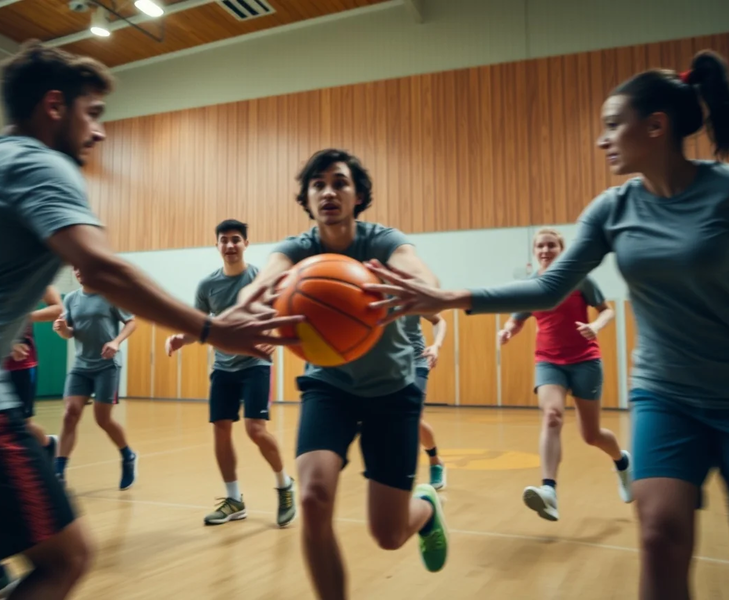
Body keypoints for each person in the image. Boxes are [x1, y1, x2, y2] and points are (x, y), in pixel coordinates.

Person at [0, 40, 301, 600]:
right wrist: (213, 330)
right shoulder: (39, 160)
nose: (98, 132)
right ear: (55, 106)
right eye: (93, 113)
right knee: (66, 559)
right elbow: (102, 269)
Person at [364, 50, 729, 600]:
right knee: (658, 534)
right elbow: (545, 288)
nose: (601, 140)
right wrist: (448, 297)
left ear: (656, 127)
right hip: (666, 393)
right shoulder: (611, 209)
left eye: (612, 126)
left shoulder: (722, 191)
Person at [237, 148, 449, 600]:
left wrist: (419, 289)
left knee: (388, 534)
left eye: (339, 182)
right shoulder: (298, 249)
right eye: (318, 185)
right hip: (328, 386)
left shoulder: (383, 241)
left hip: (393, 390)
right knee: (313, 499)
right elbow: (265, 279)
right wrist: (248, 310)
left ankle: (426, 509)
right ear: (307, 199)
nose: (328, 191)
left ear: (358, 196)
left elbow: (420, 272)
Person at [165, 219, 296, 527]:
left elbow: (282, 311)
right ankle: (234, 500)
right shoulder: (207, 285)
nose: (230, 245)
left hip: (255, 364)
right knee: (220, 429)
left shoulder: (260, 279)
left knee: (255, 429)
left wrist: (274, 334)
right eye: (224, 240)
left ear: (246, 244)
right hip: (223, 366)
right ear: (217, 245)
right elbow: (199, 325)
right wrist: (180, 339)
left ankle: (284, 485)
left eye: (236, 239)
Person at [497, 228, 631, 521]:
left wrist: (595, 327)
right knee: (552, 415)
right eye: (540, 246)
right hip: (548, 361)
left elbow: (606, 311)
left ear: (561, 249)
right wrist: (507, 330)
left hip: (585, 361)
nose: (545, 250)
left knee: (591, 435)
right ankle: (549, 491)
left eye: (551, 245)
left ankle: (622, 462)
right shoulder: (531, 286)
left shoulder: (579, 278)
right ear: (535, 251)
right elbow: (516, 319)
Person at [0, 286, 65, 600]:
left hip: (18, 366)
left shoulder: (28, 272)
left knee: (12, 431)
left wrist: (22, 319)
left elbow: (58, 308)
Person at [53, 268, 138, 490]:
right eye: (76, 268)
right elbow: (70, 333)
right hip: (81, 366)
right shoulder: (71, 299)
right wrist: (62, 329)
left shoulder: (110, 295)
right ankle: (59, 472)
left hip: (106, 366)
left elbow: (131, 322)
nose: (80, 272)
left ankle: (128, 456)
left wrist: (116, 342)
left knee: (103, 419)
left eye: (84, 267)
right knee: (70, 414)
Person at [402, 314, 448, 490]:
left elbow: (439, 320)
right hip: (385, 366)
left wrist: (436, 346)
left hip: (416, 363)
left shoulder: (409, 291)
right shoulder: (368, 293)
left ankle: (435, 461)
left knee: (414, 418)